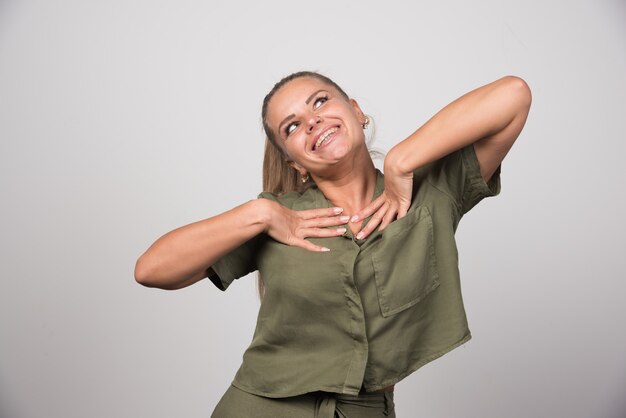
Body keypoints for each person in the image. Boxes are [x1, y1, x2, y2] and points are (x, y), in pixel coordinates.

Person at [134, 71, 532, 417]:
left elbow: (513, 95)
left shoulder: (434, 190)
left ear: (357, 112)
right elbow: (151, 270)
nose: (312, 122)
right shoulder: (279, 219)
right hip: (260, 405)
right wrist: (259, 214)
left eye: (320, 102)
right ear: (293, 162)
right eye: (292, 127)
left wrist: (400, 161)